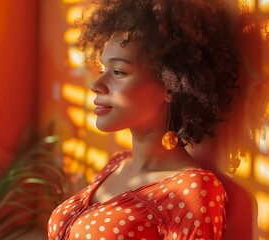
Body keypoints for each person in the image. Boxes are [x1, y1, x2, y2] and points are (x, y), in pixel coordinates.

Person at [48, 0, 246, 239]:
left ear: (171, 85)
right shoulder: (117, 164)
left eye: (119, 72)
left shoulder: (193, 189)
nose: (96, 85)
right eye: (102, 70)